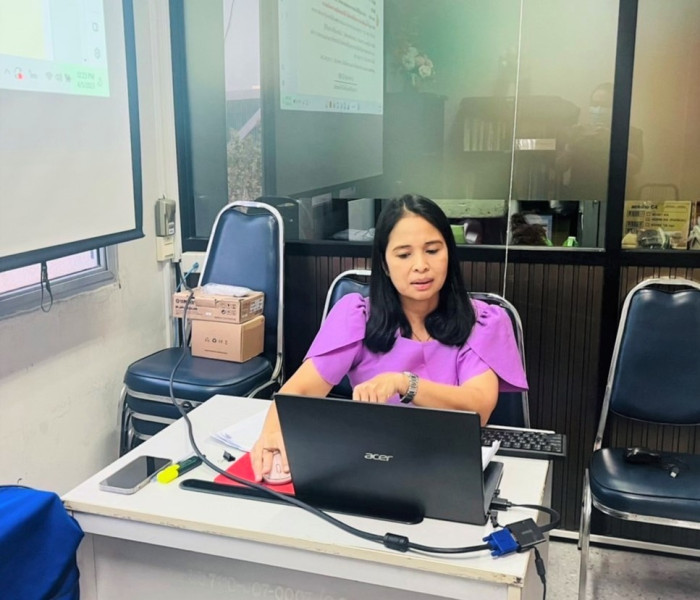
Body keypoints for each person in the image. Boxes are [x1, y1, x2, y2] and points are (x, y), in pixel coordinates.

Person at [250, 195, 528, 482]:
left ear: (449, 252)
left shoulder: (481, 322)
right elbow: (299, 393)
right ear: (384, 263)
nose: (421, 265)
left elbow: (478, 406)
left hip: (451, 468)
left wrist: (405, 384)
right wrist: (272, 435)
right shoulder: (357, 317)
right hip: (373, 467)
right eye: (404, 255)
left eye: (432, 250)